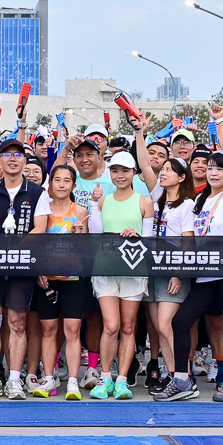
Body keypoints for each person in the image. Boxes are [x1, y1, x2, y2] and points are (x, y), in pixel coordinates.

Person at [161, 128, 223, 402]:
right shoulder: (199, 200)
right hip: (205, 274)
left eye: (220, 169)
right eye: (210, 168)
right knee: (181, 321)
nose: (213, 173)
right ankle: (182, 380)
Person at [0, 138, 42, 399]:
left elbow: (40, 229)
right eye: (7, 154)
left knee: (17, 323)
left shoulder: (37, 192)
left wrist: (12, 251)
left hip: (21, 266)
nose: (12, 159)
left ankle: (14, 379)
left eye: (18, 155)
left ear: (25, 161)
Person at [31, 162, 96, 399]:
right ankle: (49, 378)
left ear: (74, 186)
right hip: (47, 279)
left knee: (72, 329)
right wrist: (38, 270)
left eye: (67, 181)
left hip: (73, 278)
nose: (61, 185)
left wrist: (79, 233)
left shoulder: (79, 211)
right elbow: (36, 243)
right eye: (57, 180)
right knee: (48, 329)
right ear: (50, 184)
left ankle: (73, 381)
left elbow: (86, 249)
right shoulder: (43, 210)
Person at [88, 150, 149, 400]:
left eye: (125, 171)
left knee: (128, 326)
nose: (120, 175)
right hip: (105, 268)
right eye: (115, 171)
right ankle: (105, 377)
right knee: (111, 325)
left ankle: (122, 380)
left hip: (134, 269)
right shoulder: (102, 201)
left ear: (134, 173)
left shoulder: (144, 202)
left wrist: (137, 236)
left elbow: (150, 239)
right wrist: (93, 204)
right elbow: (95, 234)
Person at [145, 157, 196, 394]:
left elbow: (188, 242)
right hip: (153, 269)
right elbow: (145, 164)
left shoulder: (187, 205)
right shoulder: (157, 200)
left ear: (182, 177)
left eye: (169, 170)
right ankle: (173, 374)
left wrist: (179, 273)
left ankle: (185, 376)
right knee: (158, 326)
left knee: (167, 324)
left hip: (174, 271)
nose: (163, 173)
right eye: (163, 169)